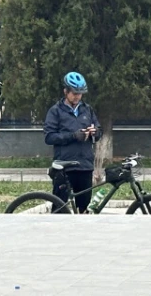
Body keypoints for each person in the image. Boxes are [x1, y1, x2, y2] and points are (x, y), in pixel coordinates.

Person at [44, 71, 101, 213]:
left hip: (85, 166)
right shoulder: (55, 111)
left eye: (80, 94)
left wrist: (95, 132)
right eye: (74, 93)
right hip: (64, 168)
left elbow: (99, 131)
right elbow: (49, 137)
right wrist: (73, 136)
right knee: (59, 208)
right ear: (66, 91)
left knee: (84, 209)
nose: (77, 96)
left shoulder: (87, 110)